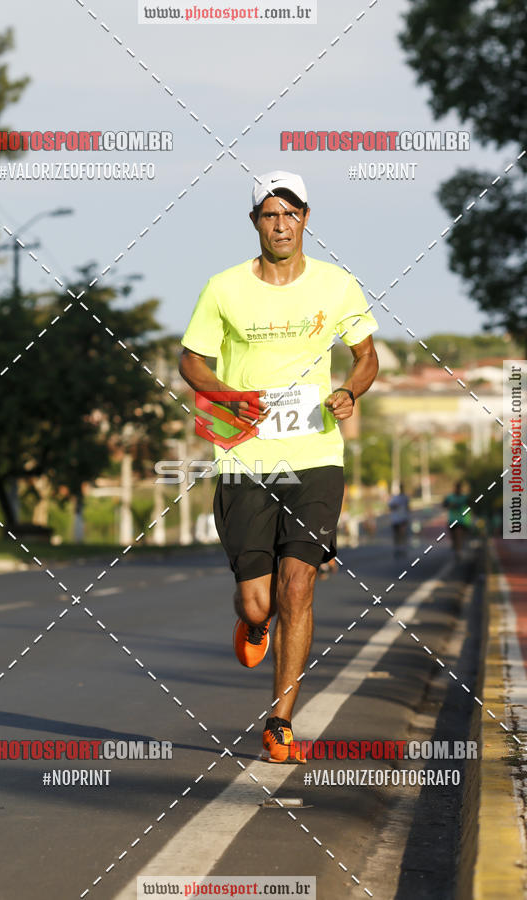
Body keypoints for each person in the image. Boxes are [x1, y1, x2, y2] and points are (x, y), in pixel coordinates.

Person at [179, 171, 379, 763]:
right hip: (244, 456)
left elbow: (365, 355)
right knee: (259, 601)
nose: (282, 224)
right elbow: (191, 361)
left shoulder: (337, 285)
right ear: (255, 223)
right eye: (270, 214)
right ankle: (253, 623)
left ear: (306, 219)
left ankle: (280, 721)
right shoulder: (223, 288)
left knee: (298, 584)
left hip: (315, 455)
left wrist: (350, 391)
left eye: (291, 213)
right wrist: (226, 396)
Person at [443, 480, 471, 561]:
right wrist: (449, 504)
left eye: (459, 488)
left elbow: (471, 504)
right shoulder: (450, 497)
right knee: (454, 538)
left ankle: (459, 551)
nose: (458, 489)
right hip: (452, 520)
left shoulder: (465, 498)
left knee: (459, 535)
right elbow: (444, 504)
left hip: (463, 521)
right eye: (457, 487)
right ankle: (457, 549)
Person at [389, 485, 410, 558]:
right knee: (396, 535)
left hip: (403, 518)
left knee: (402, 534)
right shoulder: (395, 498)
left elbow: (408, 507)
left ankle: (402, 548)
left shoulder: (405, 498)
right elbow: (391, 506)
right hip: (395, 519)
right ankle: (397, 548)